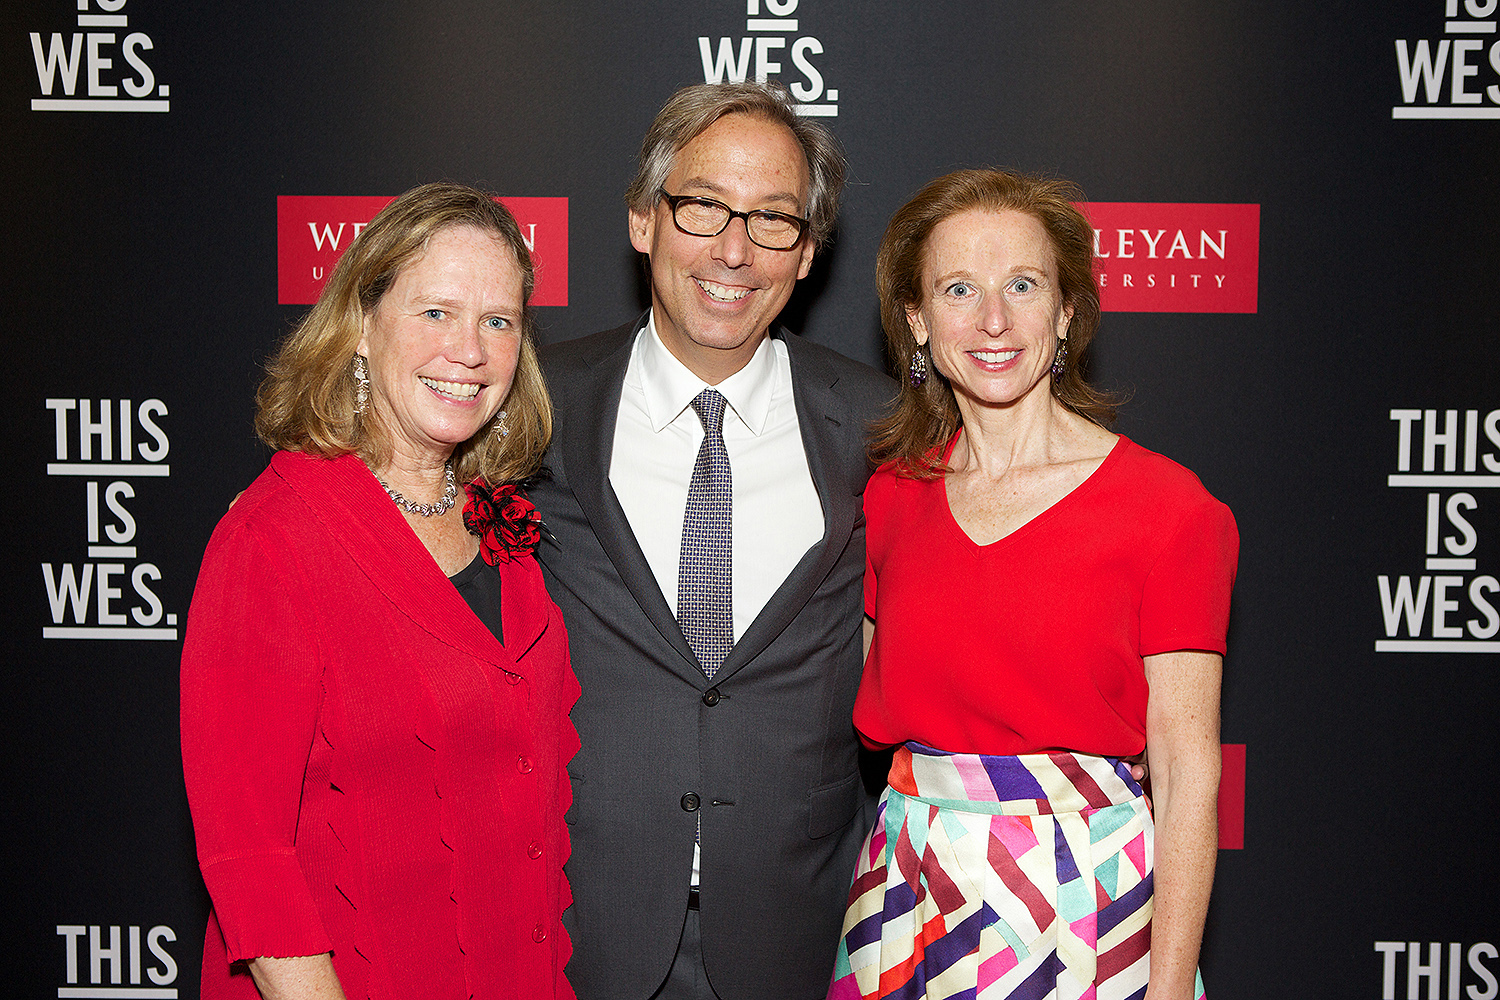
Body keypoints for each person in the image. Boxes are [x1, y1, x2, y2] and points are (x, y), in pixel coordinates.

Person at [829, 170, 1238, 1000]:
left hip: (1088, 899)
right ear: (917, 320)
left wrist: (1166, 989)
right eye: (958, 289)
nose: (993, 320)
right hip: (911, 894)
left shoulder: (1169, 510)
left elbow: (1189, 774)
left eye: (1023, 285)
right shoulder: (892, 498)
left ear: (1065, 311)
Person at [528, 82, 894, 1000]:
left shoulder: (881, 427)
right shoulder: (531, 406)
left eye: (773, 220)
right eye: (702, 209)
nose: (734, 250)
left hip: (801, 932)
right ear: (645, 221)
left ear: (807, 254)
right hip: (573, 922)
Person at [180, 183, 578, 1000]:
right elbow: (248, 857)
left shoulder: (501, 526)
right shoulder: (270, 542)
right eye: (435, 312)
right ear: (361, 326)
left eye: (498, 321)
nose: (469, 350)